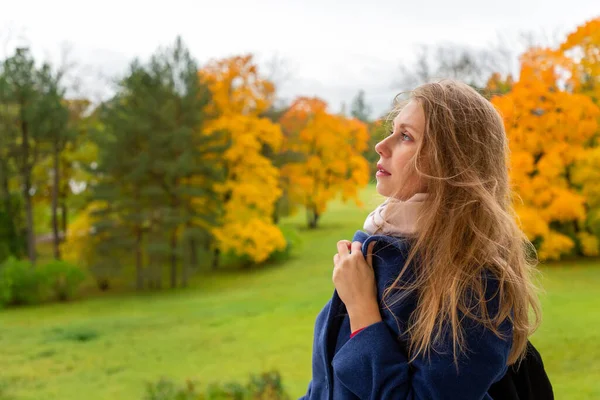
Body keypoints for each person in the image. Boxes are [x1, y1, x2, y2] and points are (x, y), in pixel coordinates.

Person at [299, 80, 549, 399]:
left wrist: (361, 310)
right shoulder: (377, 244)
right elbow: (325, 384)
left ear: (449, 161)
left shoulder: (476, 279)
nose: (381, 145)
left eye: (406, 136)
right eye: (393, 130)